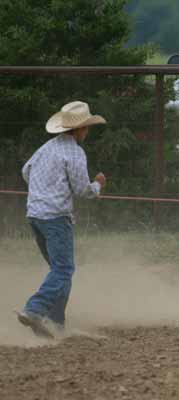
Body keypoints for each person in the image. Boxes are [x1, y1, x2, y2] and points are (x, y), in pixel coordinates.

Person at [16, 101, 107, 339]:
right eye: (86, 127)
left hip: (35, 214)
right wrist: (98, 184)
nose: (87, 132)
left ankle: (55, 323)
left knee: (59, 270)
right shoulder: (74, 152)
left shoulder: (47, 147)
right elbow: (81, 190)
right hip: (56, 216)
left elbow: (26, 171)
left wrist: (41, 189)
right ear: (78, 130)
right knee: (64, 269)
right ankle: (35, 309)